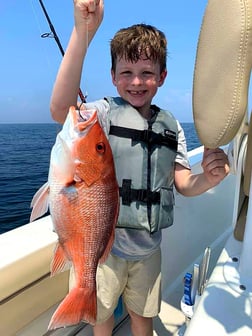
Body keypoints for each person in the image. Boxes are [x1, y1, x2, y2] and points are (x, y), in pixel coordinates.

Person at [50, 1, 230, 335]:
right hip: (102, 249)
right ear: (113, 77)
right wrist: (81, 33)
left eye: (147, 72)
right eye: (127, 73)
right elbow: (61, 108)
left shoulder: (170, 125)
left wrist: (207, 178)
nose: (136, 81)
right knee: (100, 319)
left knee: (142, 318)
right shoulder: (101, 115)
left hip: (149, 250)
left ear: (161, 76)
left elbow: (183, 182)